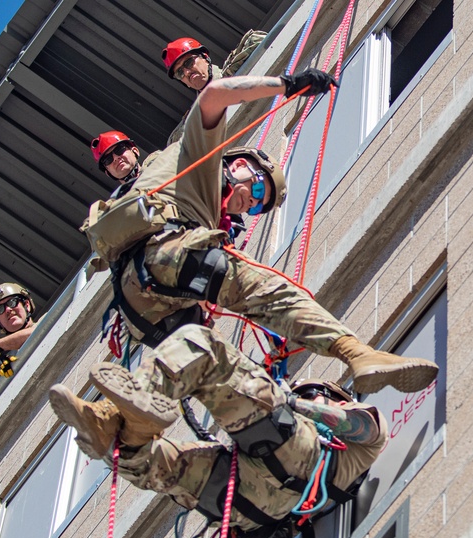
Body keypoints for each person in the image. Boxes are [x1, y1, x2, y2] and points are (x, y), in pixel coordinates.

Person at [81, 68, 439, 395]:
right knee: (272, 290)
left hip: (140, 304)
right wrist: (287, 85)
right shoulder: (197, 158)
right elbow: (214, 94)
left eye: (256, 207)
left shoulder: (197, 206)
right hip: (166, 254)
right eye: (254, 190)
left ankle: (125, 424)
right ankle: (356, 352)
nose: (247, 204)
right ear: (239, 164)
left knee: (220, 376)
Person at [49, 325, 386, 538]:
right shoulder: (323, 471)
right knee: (155, 462)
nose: (309, 399)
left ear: (339, 397)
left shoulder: (360, 432)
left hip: (292, 473)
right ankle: (113, 433)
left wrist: (295, 403)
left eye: (315, 394)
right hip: (258, 502)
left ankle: (122, 410)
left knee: (202, 345)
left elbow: (360, 427)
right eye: (307, 394)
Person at [162, 32, 267, 143]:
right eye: (180, 73)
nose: (187, 72)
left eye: (188, 62)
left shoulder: (234, 70)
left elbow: (261, 40)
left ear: (205, 57)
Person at [0, 282, 38, 399]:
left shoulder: (49, 318)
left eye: (12, 302)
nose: (8, 310)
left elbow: (38, 331)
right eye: (0, 309)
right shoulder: (6, 362)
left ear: (26, 305)